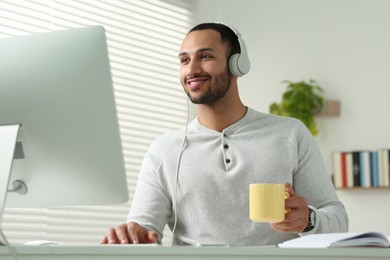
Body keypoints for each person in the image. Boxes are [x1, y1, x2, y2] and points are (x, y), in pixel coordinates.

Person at [100, 22, 348, 246]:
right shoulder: (164, 149)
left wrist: (309, 219)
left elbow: (338, 219)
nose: (192, 69)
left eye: (205, 56)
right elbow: (144, 231)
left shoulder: (290, 134)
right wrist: (132, 236)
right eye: (184, 60)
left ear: (236, 65)